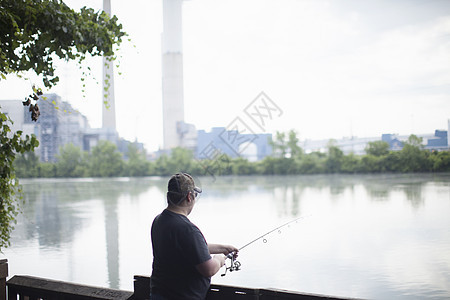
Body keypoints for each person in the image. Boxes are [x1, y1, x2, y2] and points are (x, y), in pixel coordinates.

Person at [150, 173, 238, 300]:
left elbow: (188, 248)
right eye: (195, 195)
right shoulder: (187, 229)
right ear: (189, 196)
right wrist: (219, 259)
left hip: (159, 294)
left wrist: (222, 248)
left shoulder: (160, 220)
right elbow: (208, 269)